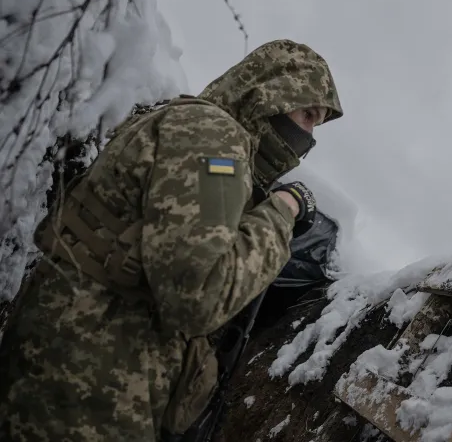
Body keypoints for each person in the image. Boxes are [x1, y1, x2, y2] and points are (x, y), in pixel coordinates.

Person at [0, 39, 343, 441]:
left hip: (73, 375)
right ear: (272, 93)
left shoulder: (194, 128)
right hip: (87, 392)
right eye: (307, 115)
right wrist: (282, 210)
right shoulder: (213, 137)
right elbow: (198, 297)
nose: (308, 136)